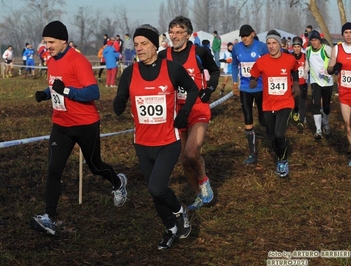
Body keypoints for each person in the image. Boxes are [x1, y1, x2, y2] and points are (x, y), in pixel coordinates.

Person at [31, 20, 128, 235]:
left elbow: (94, 93)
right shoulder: (51, 61)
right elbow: (56, 87)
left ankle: (117, 182)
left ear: (63, 41)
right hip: (61, 124)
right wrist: (45, 94)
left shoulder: (78, 61)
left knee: (95, 166)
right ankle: (49, 217)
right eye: (45, 42)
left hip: (85, 124)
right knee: (54, 169)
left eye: (51, 42)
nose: (47, 46)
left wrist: (66, 92)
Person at [113, 24, 196, 250]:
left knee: (156, 188)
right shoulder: (130, 72)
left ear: (155, 45)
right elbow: (121, 97)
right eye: (136, 45)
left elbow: (193, 89)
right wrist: (119, 102)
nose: (139, 48)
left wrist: (185, 113)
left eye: (144, 44)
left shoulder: (172, 69)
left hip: (168, 142)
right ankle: (170, 229)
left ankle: (180, 211)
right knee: (155, 192)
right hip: (142, 143)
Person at [158, 16, 220, 210]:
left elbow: (215, 71)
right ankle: (199, 196)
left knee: (192, 153)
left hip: (198, 108)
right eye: (172, 32)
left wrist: (209, 88)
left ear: (188, 34)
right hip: (176, 112)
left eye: (178, 32)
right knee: (184, 160)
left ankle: (203, 181)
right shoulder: (163, 56)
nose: (174, 36)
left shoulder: (199, 52)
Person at [249, 30, 300, 177]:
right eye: (269, 43)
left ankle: (283, 160)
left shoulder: (289, 59)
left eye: (274, 43)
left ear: (280, 44)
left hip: (285, 102)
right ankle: (279, 157)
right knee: (271, 135)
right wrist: (253, 80)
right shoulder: (262, 61)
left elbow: (295, 70)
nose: (271, 46)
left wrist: (295, 84)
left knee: (279, 133)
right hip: (268, 104)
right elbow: (254, 72)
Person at [231, 24, 269, 164]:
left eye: (247, 35)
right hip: (245, 89)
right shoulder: (237, 48)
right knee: (247, 117)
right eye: (242, 36)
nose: (244, 38)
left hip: (261, 88)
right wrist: (235, 83)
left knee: (263, 119)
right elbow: (234, 65)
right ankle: (252, 152)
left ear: (253, 34)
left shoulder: (262, 47)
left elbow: (269, 63)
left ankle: (271, 139)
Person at [327, 22, 351, 165]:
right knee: (348, 125)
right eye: (346, 32)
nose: (349, 35)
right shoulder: (337, 49)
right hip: (344, 92)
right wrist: (334, 68)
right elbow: (329, 69)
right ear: (343, 35)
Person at [304, 30, 333, 139]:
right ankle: (318, 130)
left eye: (315, 40)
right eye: (312, 40)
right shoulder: (308, 50)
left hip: (327, 81)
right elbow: (307, 62)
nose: (314, 42)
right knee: (316, 104)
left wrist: (330, 70)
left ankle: (325, 122)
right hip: (315, 80)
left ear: (319, 40)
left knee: (326, 106)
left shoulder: (326, 49)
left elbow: (334, 60)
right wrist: (305, 72)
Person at [291, 36, 308, 130]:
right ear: (292, 47)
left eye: (298, 47)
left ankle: (301, 120)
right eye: (295, 47)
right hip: (293, 84)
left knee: (302, 101)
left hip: (303, 83)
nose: (297, 49)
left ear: (301, 47)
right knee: (295, 101)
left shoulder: (305, 56)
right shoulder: (290, 57)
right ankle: (295, 111)